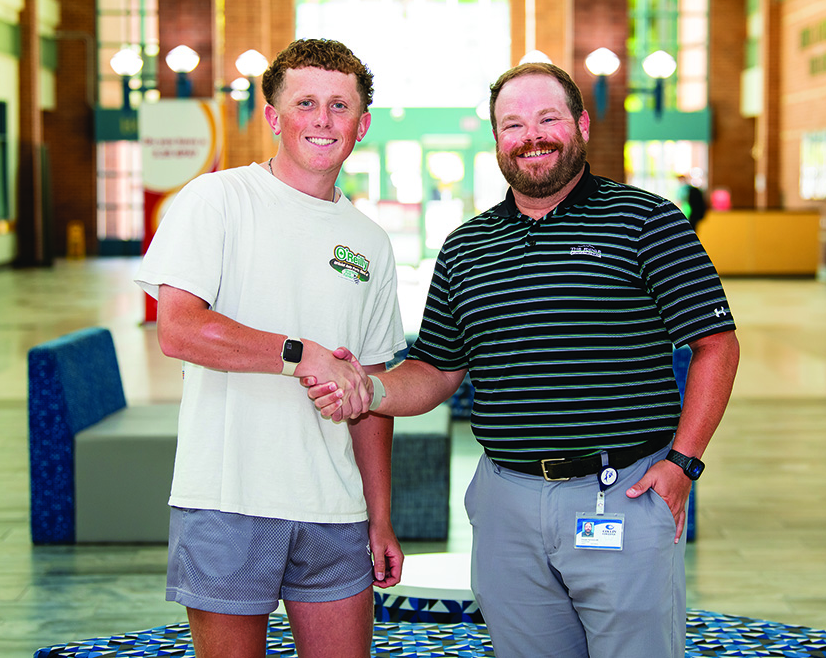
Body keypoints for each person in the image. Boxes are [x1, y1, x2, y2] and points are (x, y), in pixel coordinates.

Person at [308, 62, 739, 657]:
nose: (531, 136)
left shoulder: (648, 221)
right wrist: (369, 388)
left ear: (581, 125)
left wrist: (683, 464)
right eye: (513, 124)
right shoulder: (466, 248)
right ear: (497, 140)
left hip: (623, 493)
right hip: (505, 504)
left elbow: (716, 343)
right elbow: (436, 369)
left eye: (547, 118)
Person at [134, 38, 406, 658]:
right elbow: (178, 329)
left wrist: (380, 516)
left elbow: (371, 392)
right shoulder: (216, 199)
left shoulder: (370, 241)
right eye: (305, 102)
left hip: (336, 508)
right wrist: (299, 354)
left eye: (339, 105)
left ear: (362, 125)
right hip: (227, 498)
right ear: (273, 117)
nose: (322, 119)